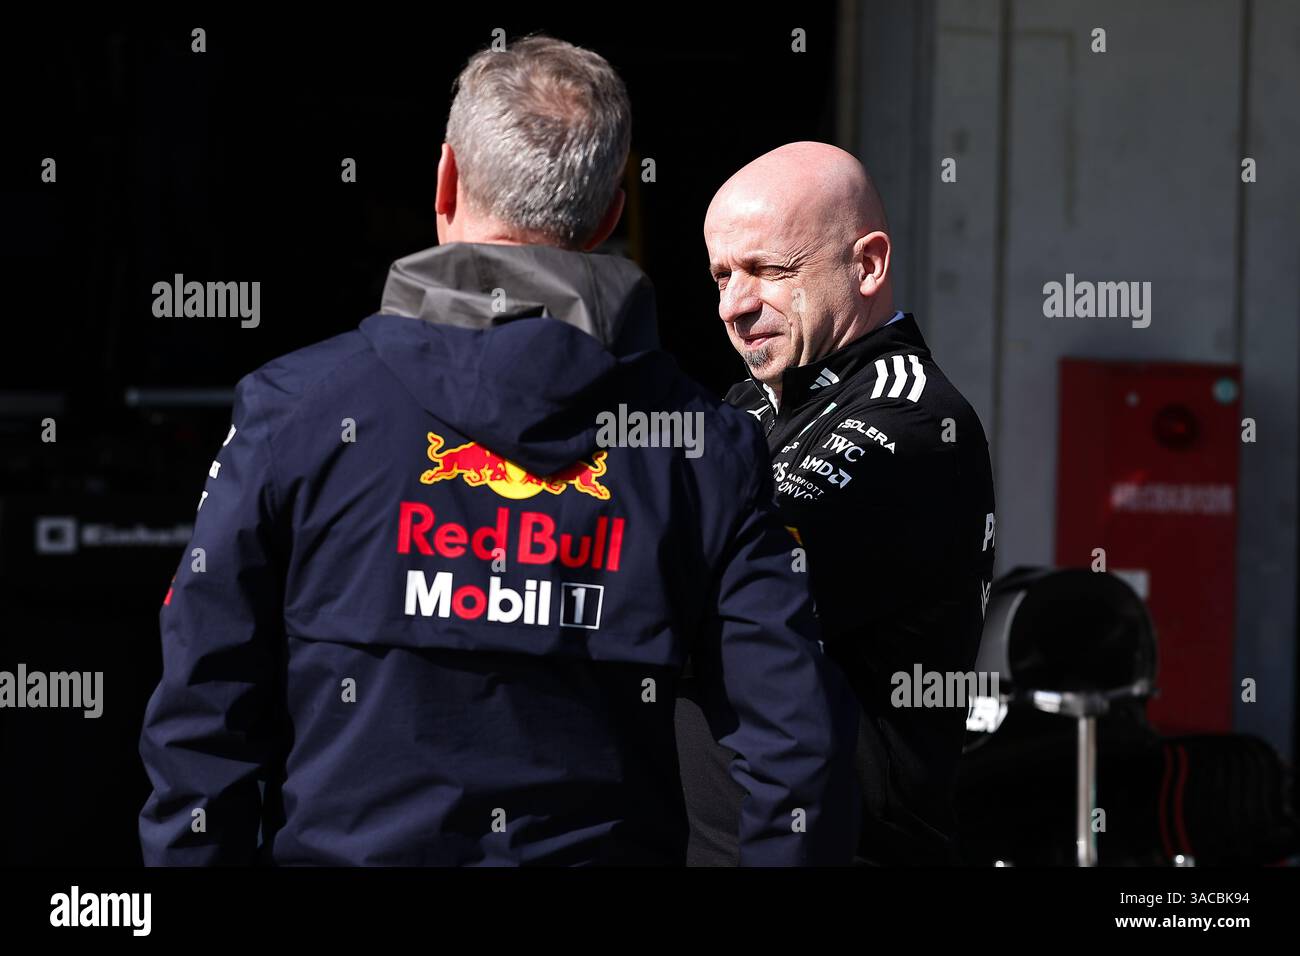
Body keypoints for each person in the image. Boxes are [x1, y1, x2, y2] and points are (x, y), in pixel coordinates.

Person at [138, 38, 856, 867]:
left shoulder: (294, 413)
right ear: (612, 214)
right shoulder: (708, 448)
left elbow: (201, 723)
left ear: (445, 182)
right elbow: (798, 753)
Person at [676, 141, 996, 865]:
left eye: (769, 270)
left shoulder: (910, 422)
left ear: (868, 264)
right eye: (721, 275)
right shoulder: (750, 405)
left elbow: (706, 595)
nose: (734, 305)